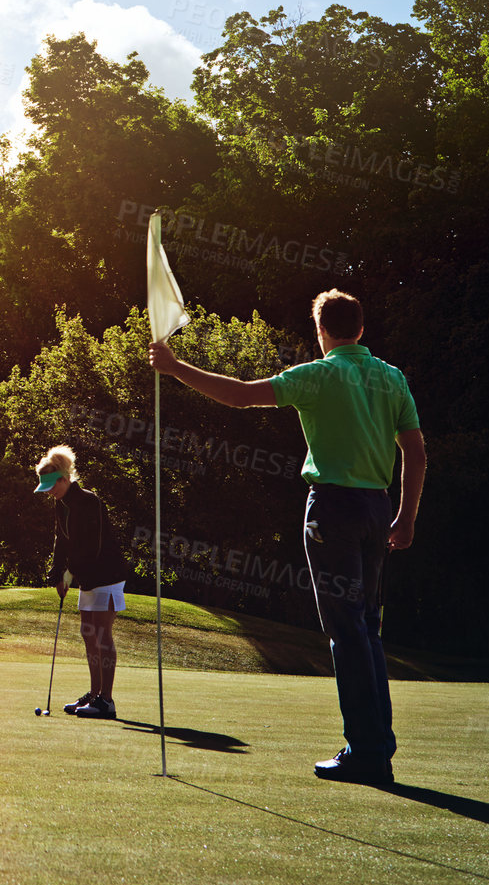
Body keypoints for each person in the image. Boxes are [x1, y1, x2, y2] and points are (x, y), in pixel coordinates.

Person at [148, 289, 426, 785]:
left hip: (333, 510)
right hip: (377, 508)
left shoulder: (319, 374)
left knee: (347, 631)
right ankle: (376, 746)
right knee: (366, 628)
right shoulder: (392, 377)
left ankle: (366, 751)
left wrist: (175, 369)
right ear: (360, 329)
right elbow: (416, 453)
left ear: (322, 332)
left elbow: (237, 395)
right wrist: (405, 518)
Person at [34, 444, 132, 720]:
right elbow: (61, 541)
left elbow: (92, 545)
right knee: (88, 633)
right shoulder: (60, 505)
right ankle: (94, 693)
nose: (50, 492)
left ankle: (107, 701)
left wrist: (70, 572)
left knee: (102, 635)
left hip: (106, 574)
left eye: (53, 486)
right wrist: (57, 572)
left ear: (65, 479)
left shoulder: (89, 501)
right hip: (87, 577)